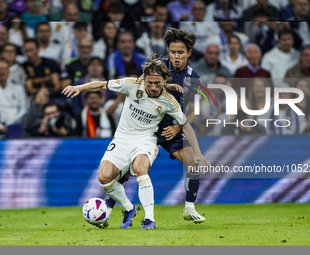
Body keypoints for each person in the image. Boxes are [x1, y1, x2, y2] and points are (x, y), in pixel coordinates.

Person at [62, 54, 208, 229]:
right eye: (149, 83)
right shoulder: (131, 85)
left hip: (146, 139)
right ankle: (129, 208)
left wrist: (198, 152)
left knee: (140, 169)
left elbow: (186, 125)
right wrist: (79, 87)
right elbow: (102, 84)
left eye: (158, 83)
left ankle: (149, 219)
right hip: (122, 138)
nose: (153, 87)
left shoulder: (169, 101)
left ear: (165, 81)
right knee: (104, 177)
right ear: (143, 79)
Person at [106, 28, 209, 224]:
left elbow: (194, 111)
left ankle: (189, 208)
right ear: (168, 51)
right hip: (147, 128)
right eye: (172, 52)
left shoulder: (194, 78)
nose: (176, 56)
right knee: (126, 171)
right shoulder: (158, 68)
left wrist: (178, 128)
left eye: (180, 52)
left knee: (193, 163)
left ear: (188, 53)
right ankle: (108, 210)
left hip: (172, 130)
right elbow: (140, 86)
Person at [0, 60, 28, 126]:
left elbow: (23, 109)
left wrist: (10, 123)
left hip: (16, 123)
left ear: (8, 71)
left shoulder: (18, 88)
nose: (2, 72)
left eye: (4, 69)